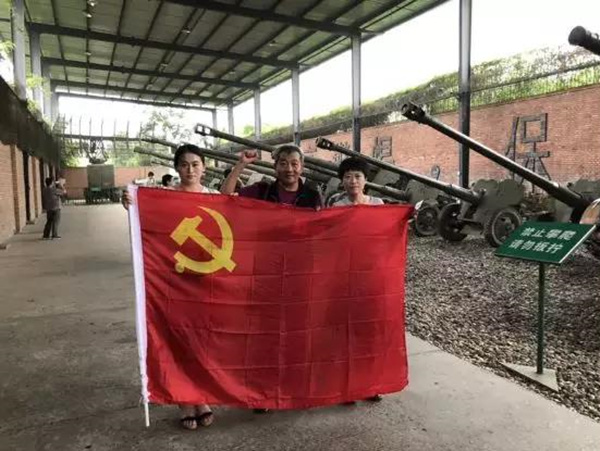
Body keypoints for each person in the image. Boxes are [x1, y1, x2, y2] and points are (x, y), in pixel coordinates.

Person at [123, 144, 218, 430]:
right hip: (173, 280)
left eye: (196, 164)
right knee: (178, 339)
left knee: (202, 342)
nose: (190, 170)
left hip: (206, 280)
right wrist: (130, 203)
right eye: (184, 164)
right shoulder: (164, 197)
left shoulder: (214, 197)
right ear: (176, 168)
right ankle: (184, 401)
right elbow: (146, 217)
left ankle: (202, 397)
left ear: (204, 167)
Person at [331, 157, 383, 404]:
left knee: (369, 331)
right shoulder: (336, 206)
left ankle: (370, 384)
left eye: (358, 176)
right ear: (342, 181)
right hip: (342, 276)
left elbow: (384, 234)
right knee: (344, 333)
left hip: (370, 275)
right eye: (348, 176)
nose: (353, 181)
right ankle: (346, 387)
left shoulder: (378, 205)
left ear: (366, 180)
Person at [221, 145, 323, 210]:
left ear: (301, 168)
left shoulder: (312, 197)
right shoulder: (262, 192)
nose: (289, 169)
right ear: (275, 167)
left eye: (294, 164)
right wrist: (241, 163)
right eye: (283, 164)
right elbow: (225, 197)